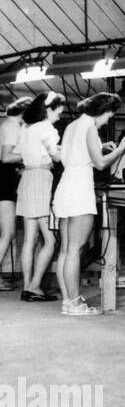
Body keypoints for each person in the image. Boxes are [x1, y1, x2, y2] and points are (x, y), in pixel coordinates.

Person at [53, 93, 125, 316]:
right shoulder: (89, 127)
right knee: (76, 250)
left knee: (67, 249)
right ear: (102, 111)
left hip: (66, 185)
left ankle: (68, 301)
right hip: (80, 188)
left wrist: (101, 145)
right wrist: (119, 150)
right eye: (109, 115)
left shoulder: (73, 125)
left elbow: (76, 152)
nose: (108, 120)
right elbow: (99, 164)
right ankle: (76, 304)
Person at [16, 93, 64, 302]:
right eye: (59, 112)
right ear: (49, 109)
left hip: (27, 177)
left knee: (29, 239)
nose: (59, 116)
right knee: (51, 239)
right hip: (42, 178)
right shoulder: (48, 129)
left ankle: (27, 286)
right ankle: (36, 286)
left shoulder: (27, 129)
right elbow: (57, 157)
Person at [0, 97, 32, 290]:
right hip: (3, 179)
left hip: (6, 178)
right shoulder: (12, 126)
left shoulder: (8, 124)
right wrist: (31, 152)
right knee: (8, 232)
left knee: (7, 233)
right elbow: (5, 157)